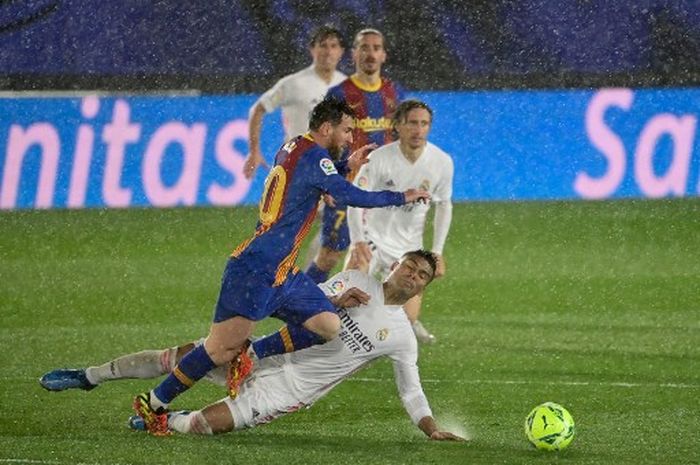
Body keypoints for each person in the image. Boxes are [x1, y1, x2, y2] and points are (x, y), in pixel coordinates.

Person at [130, 97, 431, 435]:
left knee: (329, 325)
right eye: (347, 131)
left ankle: (250, 356)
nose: (350, 139)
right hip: (259, 268)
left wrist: (344, 165)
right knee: (219, 349)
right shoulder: (317, 158)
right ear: (327, 128)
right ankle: (154, 403)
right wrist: (401, 196)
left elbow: (314, 181)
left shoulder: (296, 146)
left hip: (283, 270)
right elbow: (348, 196)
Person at [40, 251, 465, 442]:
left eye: (421, 275)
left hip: (290, 388)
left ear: (424, 287)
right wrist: (333, 301)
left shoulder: (403, 338)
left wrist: (430, 428)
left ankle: (167, 420)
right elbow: (302, 307)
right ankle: (90, 376)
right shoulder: (355, 281)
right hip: (262, 351)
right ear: (396, 265)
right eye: (410, 265)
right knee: (177, 356)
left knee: (206, 426)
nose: (412, 275)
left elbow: (410, 389)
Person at [347, 100, 454, 344]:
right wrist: (357, 241)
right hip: (372, 240)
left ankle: (405, 324)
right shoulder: (378, 158)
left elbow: (444, 205)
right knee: (347, 299)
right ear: (398, 126)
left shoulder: (442, 162)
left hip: (409, 251)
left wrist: (436, 252)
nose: (418, 130)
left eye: (424, 124)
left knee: (406, 321)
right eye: (412, 123)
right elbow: (355, 199)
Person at [305, 28, 405, 286]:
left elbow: (400, 140)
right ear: (354, 54)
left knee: (379, 256)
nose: (370, 53)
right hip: (346, 187)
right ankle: (301, 306)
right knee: (329, 255)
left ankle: (373, 320)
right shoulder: (339, 94)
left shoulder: (395, 93)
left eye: (375, 48)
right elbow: (323, 139)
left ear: (384, 55)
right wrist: (326, 179)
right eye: (364, 48)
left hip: (381, 189)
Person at [244, 24, 346, 180]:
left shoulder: (346, 84)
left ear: (341, 51)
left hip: (334, 168)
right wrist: (254, 151)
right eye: (323, 45)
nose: (328, 51)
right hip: (298, 167)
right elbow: (258, 109)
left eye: (333, 46)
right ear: (312, 49)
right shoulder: (294, 83)